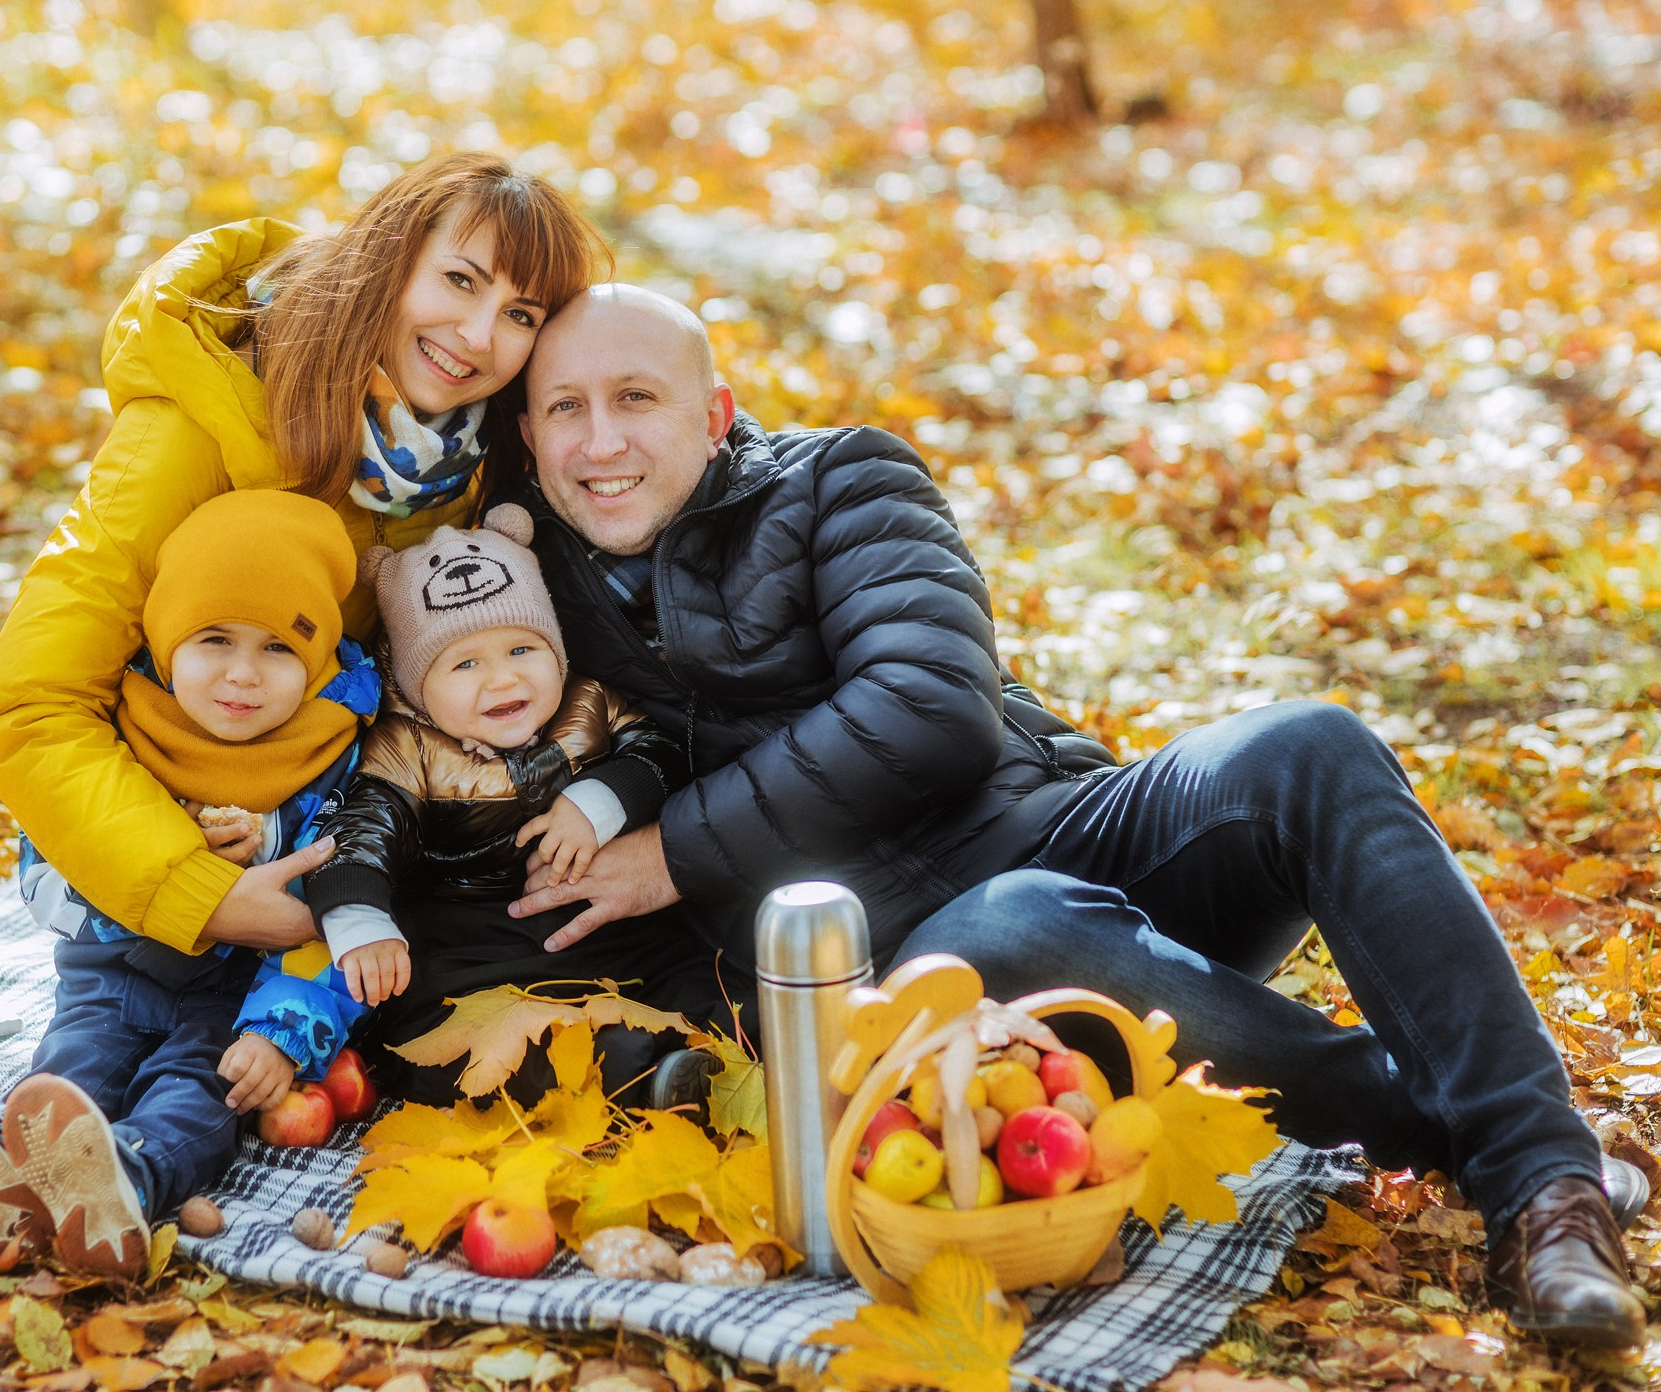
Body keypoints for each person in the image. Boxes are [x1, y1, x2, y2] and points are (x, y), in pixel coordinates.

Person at [501, 283, 1649, 1349]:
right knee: (1012, 931)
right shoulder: (520, 602)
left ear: (715, 413)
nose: (600, 441)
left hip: (1079, 833)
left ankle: (1548, 1193)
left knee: (1303, 743)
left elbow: (932, 705)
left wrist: (679, 852)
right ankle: (1463, 1125)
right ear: (527, 438)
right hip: (913, 992)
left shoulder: (837, 480)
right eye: (566, 409)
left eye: (635, 399)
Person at [0, 152, 606, 975]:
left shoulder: (465, 466)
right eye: (458, 280)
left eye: (520, 314)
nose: (480, 336)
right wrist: (200, 890)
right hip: (168, 831)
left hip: (334, 854)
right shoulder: (195, 427)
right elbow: (33, 703)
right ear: (391, 256)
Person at [0, 491, 395, 1277]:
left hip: (235, 996)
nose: (241, 674)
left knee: (198, 1095)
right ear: (165, 637)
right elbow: (52, 867)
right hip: (109, 975)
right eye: (214, 638)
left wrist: (279, 1033)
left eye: (278, 649)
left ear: (320, 656)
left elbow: (344, 919)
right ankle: (4, 1189)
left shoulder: (336, 763)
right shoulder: (122, 730)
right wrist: (163, 864)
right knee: (67, 1075)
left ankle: (124, 1181)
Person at [305, 506, 735, 1103]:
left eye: (522, 651)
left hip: (606, 924)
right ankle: (633, 1074)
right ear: (414, 683)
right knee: (441, 1036)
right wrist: (361, 919)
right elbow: (363, 830)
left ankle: (711, 1052)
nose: (504, 680)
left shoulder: (588, 703)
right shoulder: (407, 747)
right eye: (465, 663)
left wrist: (600, 800)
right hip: (477, 944)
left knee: (699, 976)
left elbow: (661, 753)